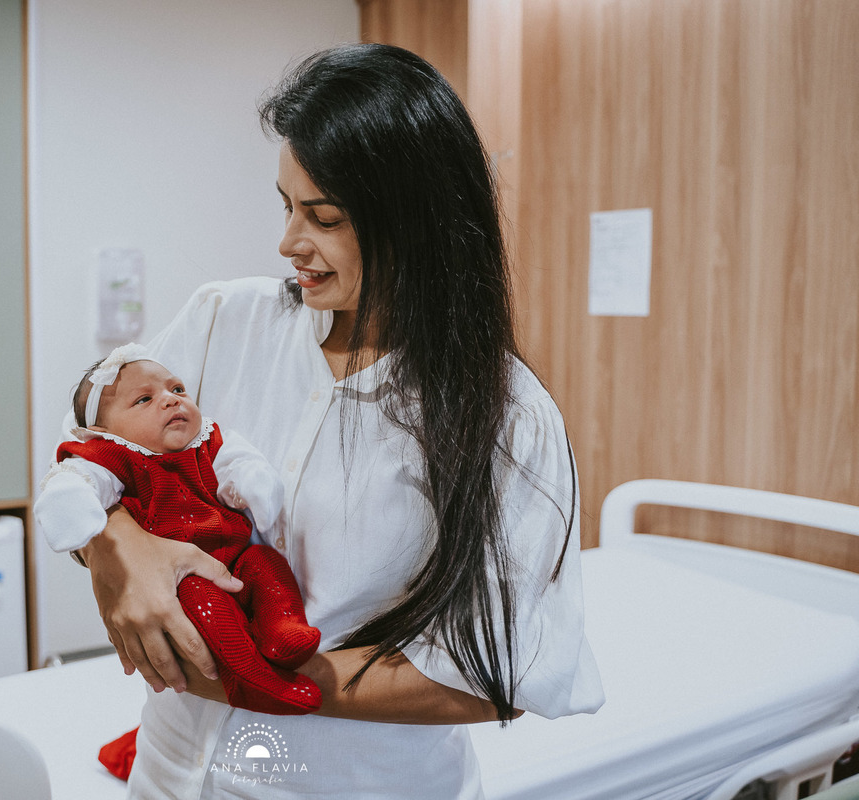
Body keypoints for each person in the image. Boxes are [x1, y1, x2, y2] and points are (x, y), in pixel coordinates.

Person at [37, 43, 604, 799]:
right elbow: (88, 468)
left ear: (419, 224)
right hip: (170, 774)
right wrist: (123, 550)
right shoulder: (223, 322)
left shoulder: (503, 417)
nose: (288, 243)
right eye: (286, 205)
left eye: (324, 217)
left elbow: (499, 672)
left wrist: (257, 678)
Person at [35, 342, 322, 717]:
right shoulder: (113, 456)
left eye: (178, 390)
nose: (170, 400)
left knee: (265, 562)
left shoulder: (207, 441)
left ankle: (282, 628)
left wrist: (253, 483)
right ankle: (250, 679)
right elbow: (74, 481)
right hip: (180, 577)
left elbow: (241, 462)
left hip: (237, 559)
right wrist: (71, 507)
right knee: (207, 606)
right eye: (143, 400)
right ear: (102, 430)